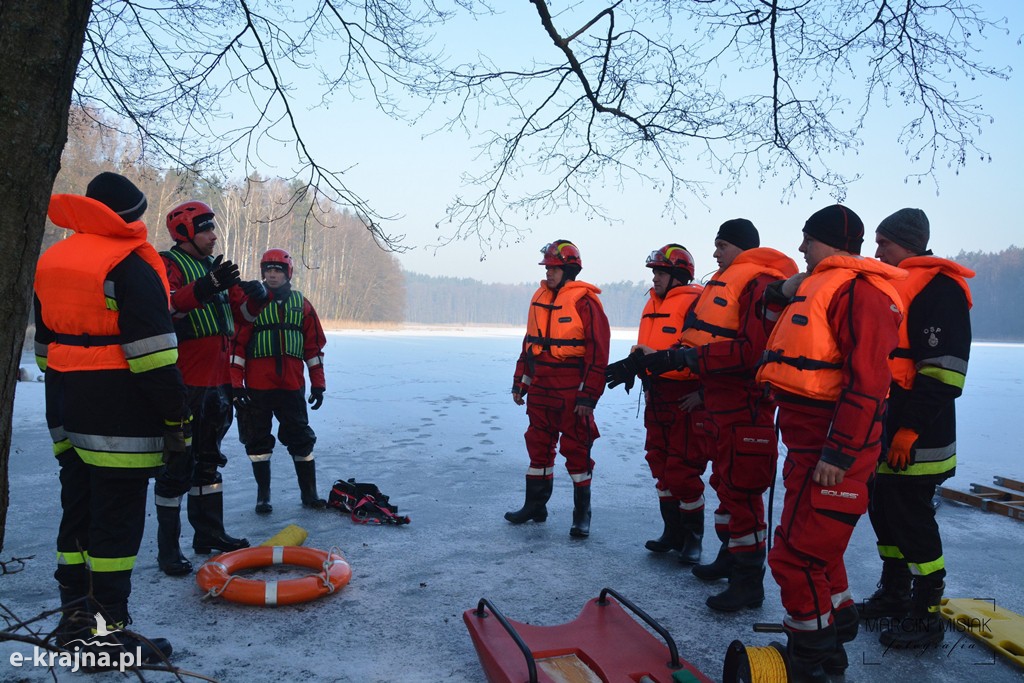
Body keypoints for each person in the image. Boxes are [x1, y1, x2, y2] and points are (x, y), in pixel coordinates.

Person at [34, 172, 187, 663]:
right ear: (132, 216)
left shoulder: (55, 258)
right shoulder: (129, 264)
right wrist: (177, 420)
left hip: (65, 402)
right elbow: (154, 358)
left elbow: (44, 350)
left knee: (77, 512)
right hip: (120, 410)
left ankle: (74, 621)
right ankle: (105, 635)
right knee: (116, 526)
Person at [755, 205, 904, 681]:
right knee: (820, 555)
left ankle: (811, 656)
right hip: (808, 446)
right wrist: (780, 289)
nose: (801, 248)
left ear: (834, 244)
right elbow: (764, 312)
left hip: (834, 452)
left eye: (809, 239)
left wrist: (839, 452)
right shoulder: (819, 286)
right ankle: (834, 636)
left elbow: (868, 383)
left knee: (794, 558)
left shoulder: (861, 293)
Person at [637, 220, 799, 612]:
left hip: (745, 406)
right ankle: (729, 558)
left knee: (742, 493)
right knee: (726, 485)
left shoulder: (758, 284)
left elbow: (751, 351)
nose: (715, 253)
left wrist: (687, 359)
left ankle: (748, 582)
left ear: (742, 248)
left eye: (721, 245)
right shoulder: (728, 284)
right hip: (719, 402)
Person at [862, 208, 973, 649]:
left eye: (883, 244)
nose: (877, 253)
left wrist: (909, 430)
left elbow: (944, 374)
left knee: (912, 521)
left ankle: (926, 614)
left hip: (920, 437)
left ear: (907, 243)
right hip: (886, 430)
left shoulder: (941, 290)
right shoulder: (899, 286)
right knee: (884, 512)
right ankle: (894, 593)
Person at [153, 200, 269, 576]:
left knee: (209, 462)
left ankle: (209, 533)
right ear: (185, 232)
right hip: (184, 383)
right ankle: (168, 549)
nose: (213, 236)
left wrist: (257, 298)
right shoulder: (166, 264)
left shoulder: (214, 269)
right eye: (205, 229)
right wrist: (204, 287)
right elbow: (166, 307)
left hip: (218, 383)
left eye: (212, 229)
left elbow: (241, 315)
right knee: (176, 467)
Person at [606, 244, 710, 562]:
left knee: (682, 470)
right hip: (657, 395)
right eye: (654, 273)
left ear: (679, 275)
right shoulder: (652, 303)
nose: (655, 278)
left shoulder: (697, 303)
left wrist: (702, 393)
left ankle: (692, 539)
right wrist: (636, 368)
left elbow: (707, 351)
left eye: (661, 273)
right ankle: (672, 532)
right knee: (660, 464)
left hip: (685, 398)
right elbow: (651, 349)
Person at [506, 240, 610, 538]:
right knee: (538, 446)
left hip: (571, 389)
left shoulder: (585, 303)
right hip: (541, 388)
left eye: (554, 268)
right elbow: (529, 344)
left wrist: (589, 395)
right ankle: (535, 506)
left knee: (577, 450)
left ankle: (582, 515)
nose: (548, 273)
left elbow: (598, 354)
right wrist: (520, 382)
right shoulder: (540, 299)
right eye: (547, 268)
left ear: (569, 270)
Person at [230, 248, 329, 513]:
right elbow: (237, 348)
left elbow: (313, 349)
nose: (272, 275)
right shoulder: (251, 305)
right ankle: (263, 496)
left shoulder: (303, 306)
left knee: (301, 440)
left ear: (288, 273)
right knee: (257, 442)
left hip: (292, 387)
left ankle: (309, 493)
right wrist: (236, 386)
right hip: (257, 389)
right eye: (268, 270)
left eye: (278, 270)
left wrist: (318, 384)